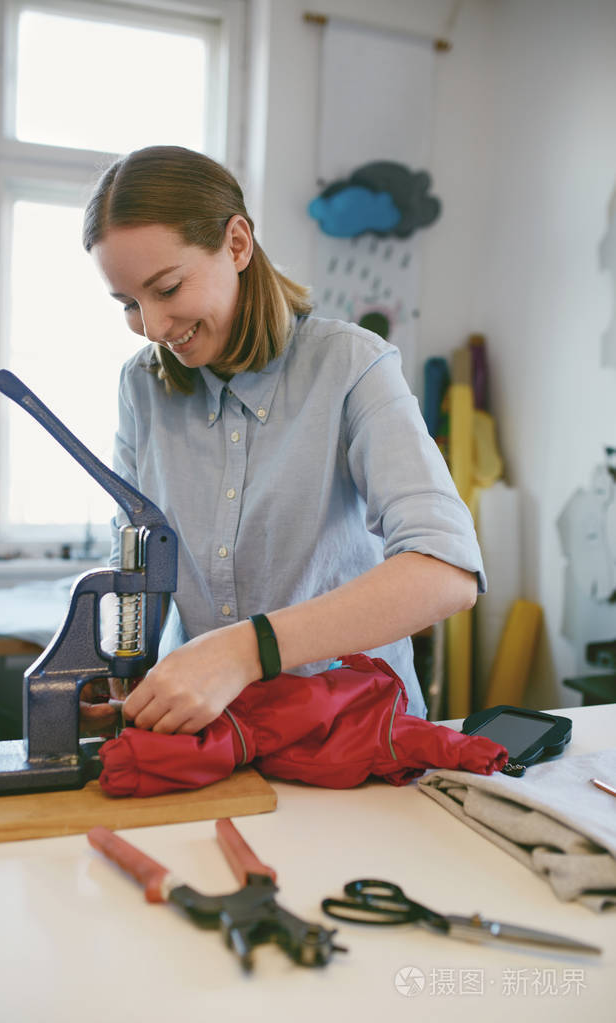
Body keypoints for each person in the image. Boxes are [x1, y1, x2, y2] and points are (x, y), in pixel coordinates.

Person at [79, 145, 483, 738]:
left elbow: (446, 571)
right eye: (129, 305)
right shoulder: (142, 387)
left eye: (166, 288)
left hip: (353, 737)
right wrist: (120, 659)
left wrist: (248, 650)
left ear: (237, 244)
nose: (155, 328)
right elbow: (133, 556)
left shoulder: (352, 365)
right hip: (213, 742)